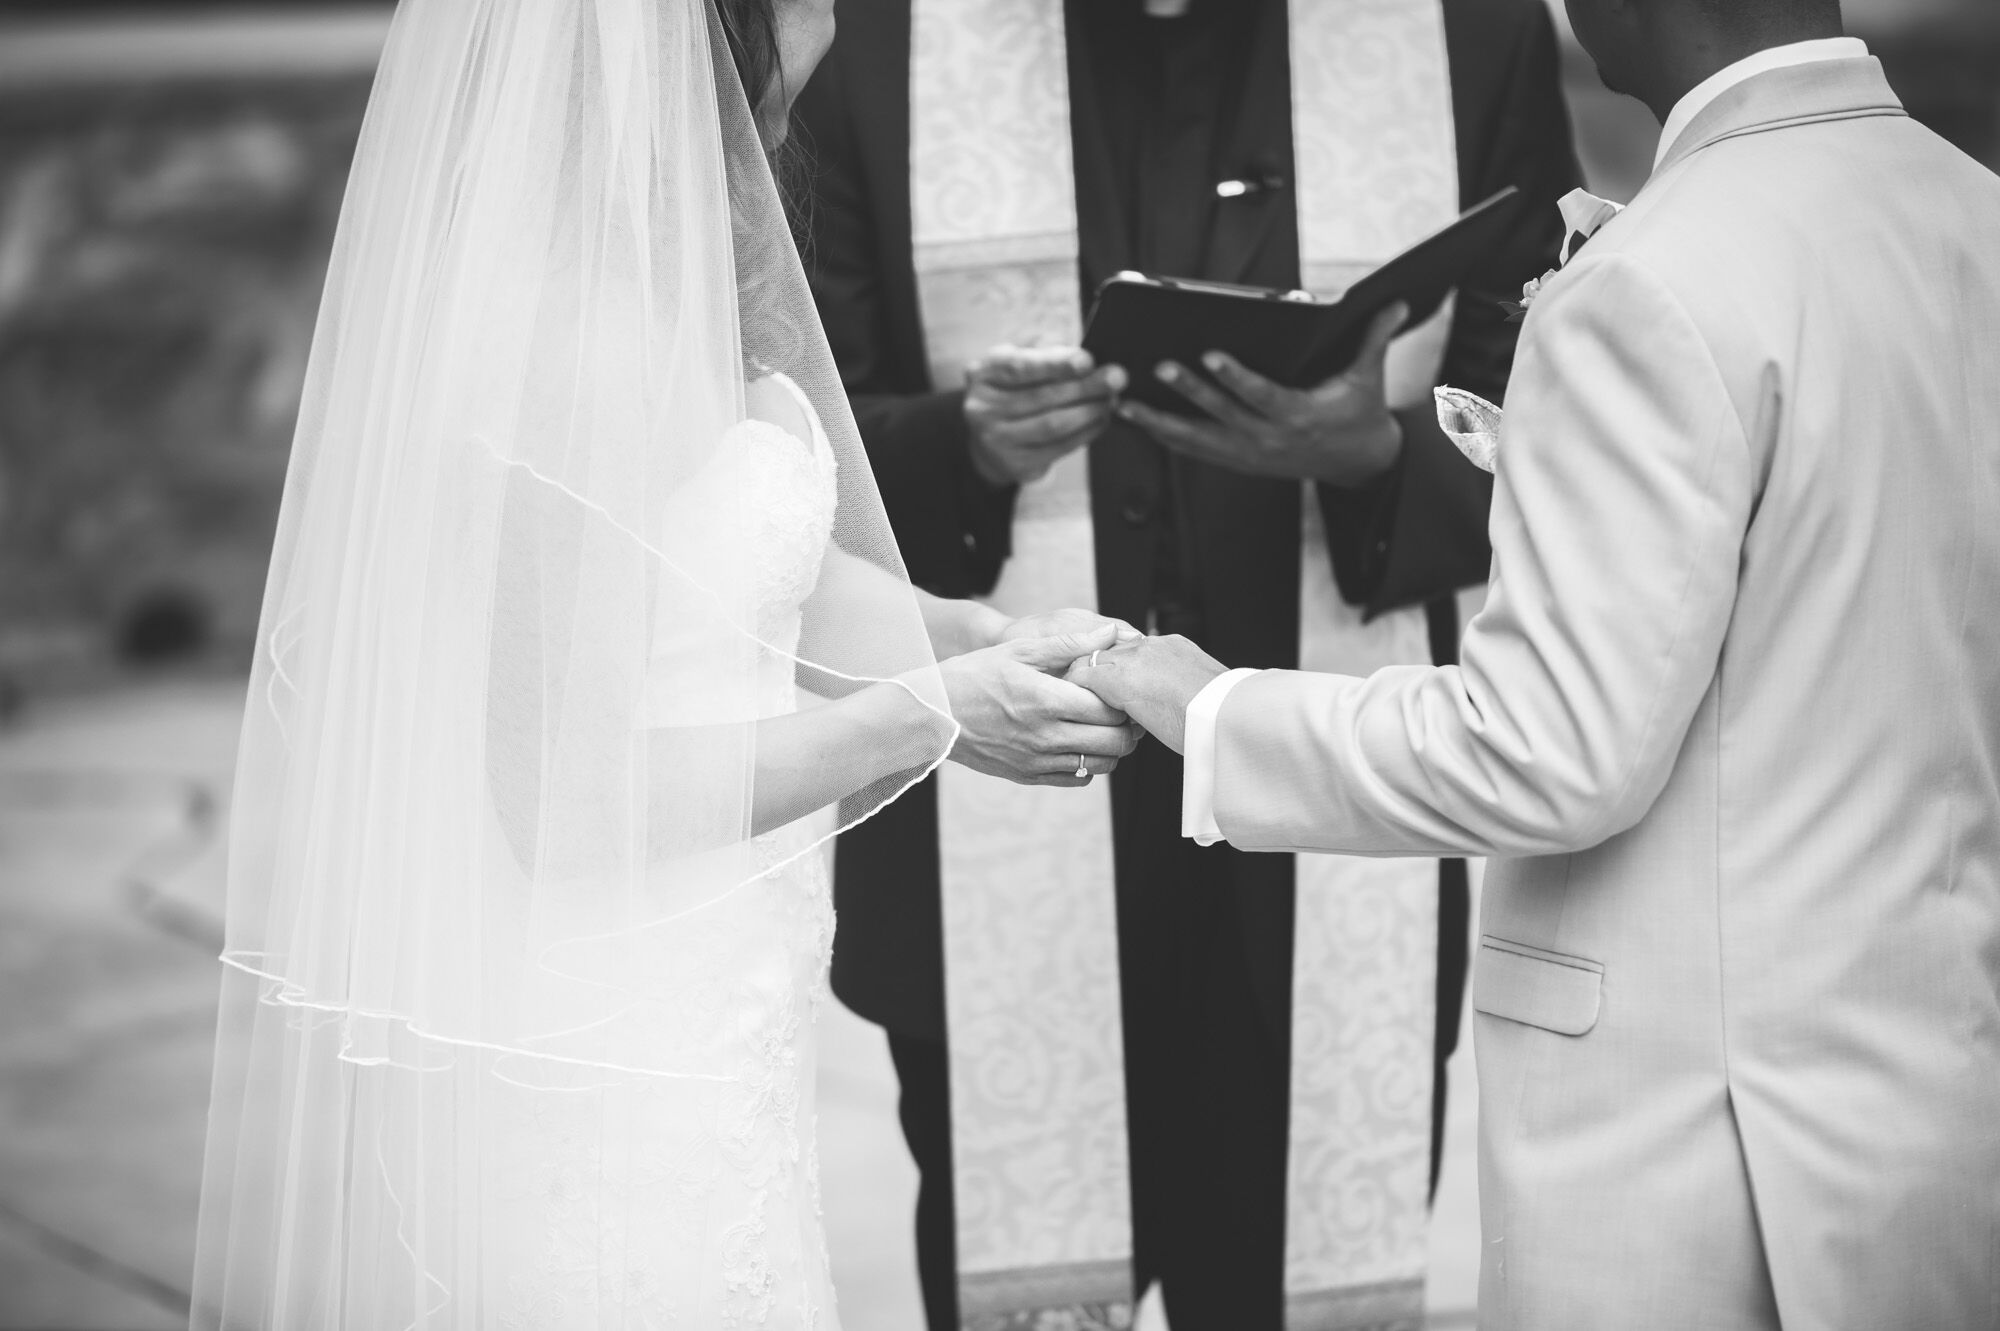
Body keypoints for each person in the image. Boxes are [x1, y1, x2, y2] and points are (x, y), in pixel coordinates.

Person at [188, 0, 1137, 1325]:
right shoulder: (573, 345)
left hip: (725, 1011)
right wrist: (928, 717)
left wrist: (982, 641)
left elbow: (756, 573)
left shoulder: (676, 256)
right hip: (608, 1038)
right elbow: (565, 801)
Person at [1070, 1, 2000, 1327]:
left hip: (1700, 1152)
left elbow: (1549, 752)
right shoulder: (1975, 215)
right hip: (1939, 1107)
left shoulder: (1648, 279)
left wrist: (1214, 711)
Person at [793, 1, 1578, 1326]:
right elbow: (790, 437)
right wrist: (965, 447)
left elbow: (1559, 441)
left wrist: (1372, 455)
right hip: (999, 827)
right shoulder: (876, 39)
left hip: (1335, 837)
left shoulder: (1463, 33)